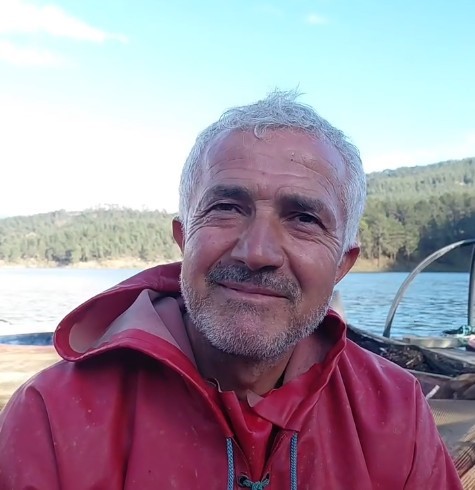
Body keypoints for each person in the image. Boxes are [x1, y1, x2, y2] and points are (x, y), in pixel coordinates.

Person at [0, 91, 462, 489]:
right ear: (184, 238)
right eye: (226, 207)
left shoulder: (395, 413)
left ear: (342, 264)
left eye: (303, 218)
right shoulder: (53, 416)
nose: (257, 252)